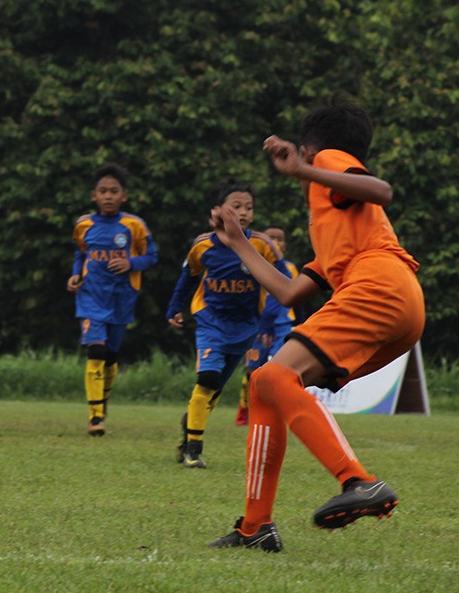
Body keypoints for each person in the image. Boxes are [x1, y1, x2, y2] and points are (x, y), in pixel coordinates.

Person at [209, 100, 422, 552]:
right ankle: (254, 527)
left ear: (307, 149)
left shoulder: (327, 163)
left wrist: (306, 169)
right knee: (268, 382)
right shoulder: (337, 223)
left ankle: (358, 481)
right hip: (399, 301)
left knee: (276, 375)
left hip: (376, 286)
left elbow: (380, 189)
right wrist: (238, 242)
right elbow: (288, 293)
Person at [165, 182, 289, 468]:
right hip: (210, 322)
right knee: (206, 379)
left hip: (246, 327)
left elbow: (285, 283)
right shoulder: (203, 245)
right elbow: (188, 278)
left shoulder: (262, 245)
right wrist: (174, 308)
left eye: (249, 207)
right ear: (218, 212)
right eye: (236, 206)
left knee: (215, 389)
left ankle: (189, 429)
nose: (243, 212)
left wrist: (269, 320)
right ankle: (193, 450)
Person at [67, 164, 157, 436]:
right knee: (96, 350)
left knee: (111, 355)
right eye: (103, 191)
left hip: (121, 297)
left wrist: (130, 263)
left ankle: (102, 403)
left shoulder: (134, 225)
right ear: (94, 195)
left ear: (124, 196)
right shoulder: (84, 225)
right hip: (91, 297)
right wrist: (74, 276)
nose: (108, 196)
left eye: (113, 191)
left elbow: (152, 257)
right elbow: (80, 255)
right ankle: (95, 416)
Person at [235, 226, 299, 426]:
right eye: (271, 238)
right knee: (252, 370)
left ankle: (279, 410)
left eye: (279, 239)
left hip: (282, 325)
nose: (276, 243)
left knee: (282, 368)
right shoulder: (253, 268)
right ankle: (245, 408)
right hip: (258, 326)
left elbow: (297, 298)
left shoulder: (291, 269)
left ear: (285, 245)